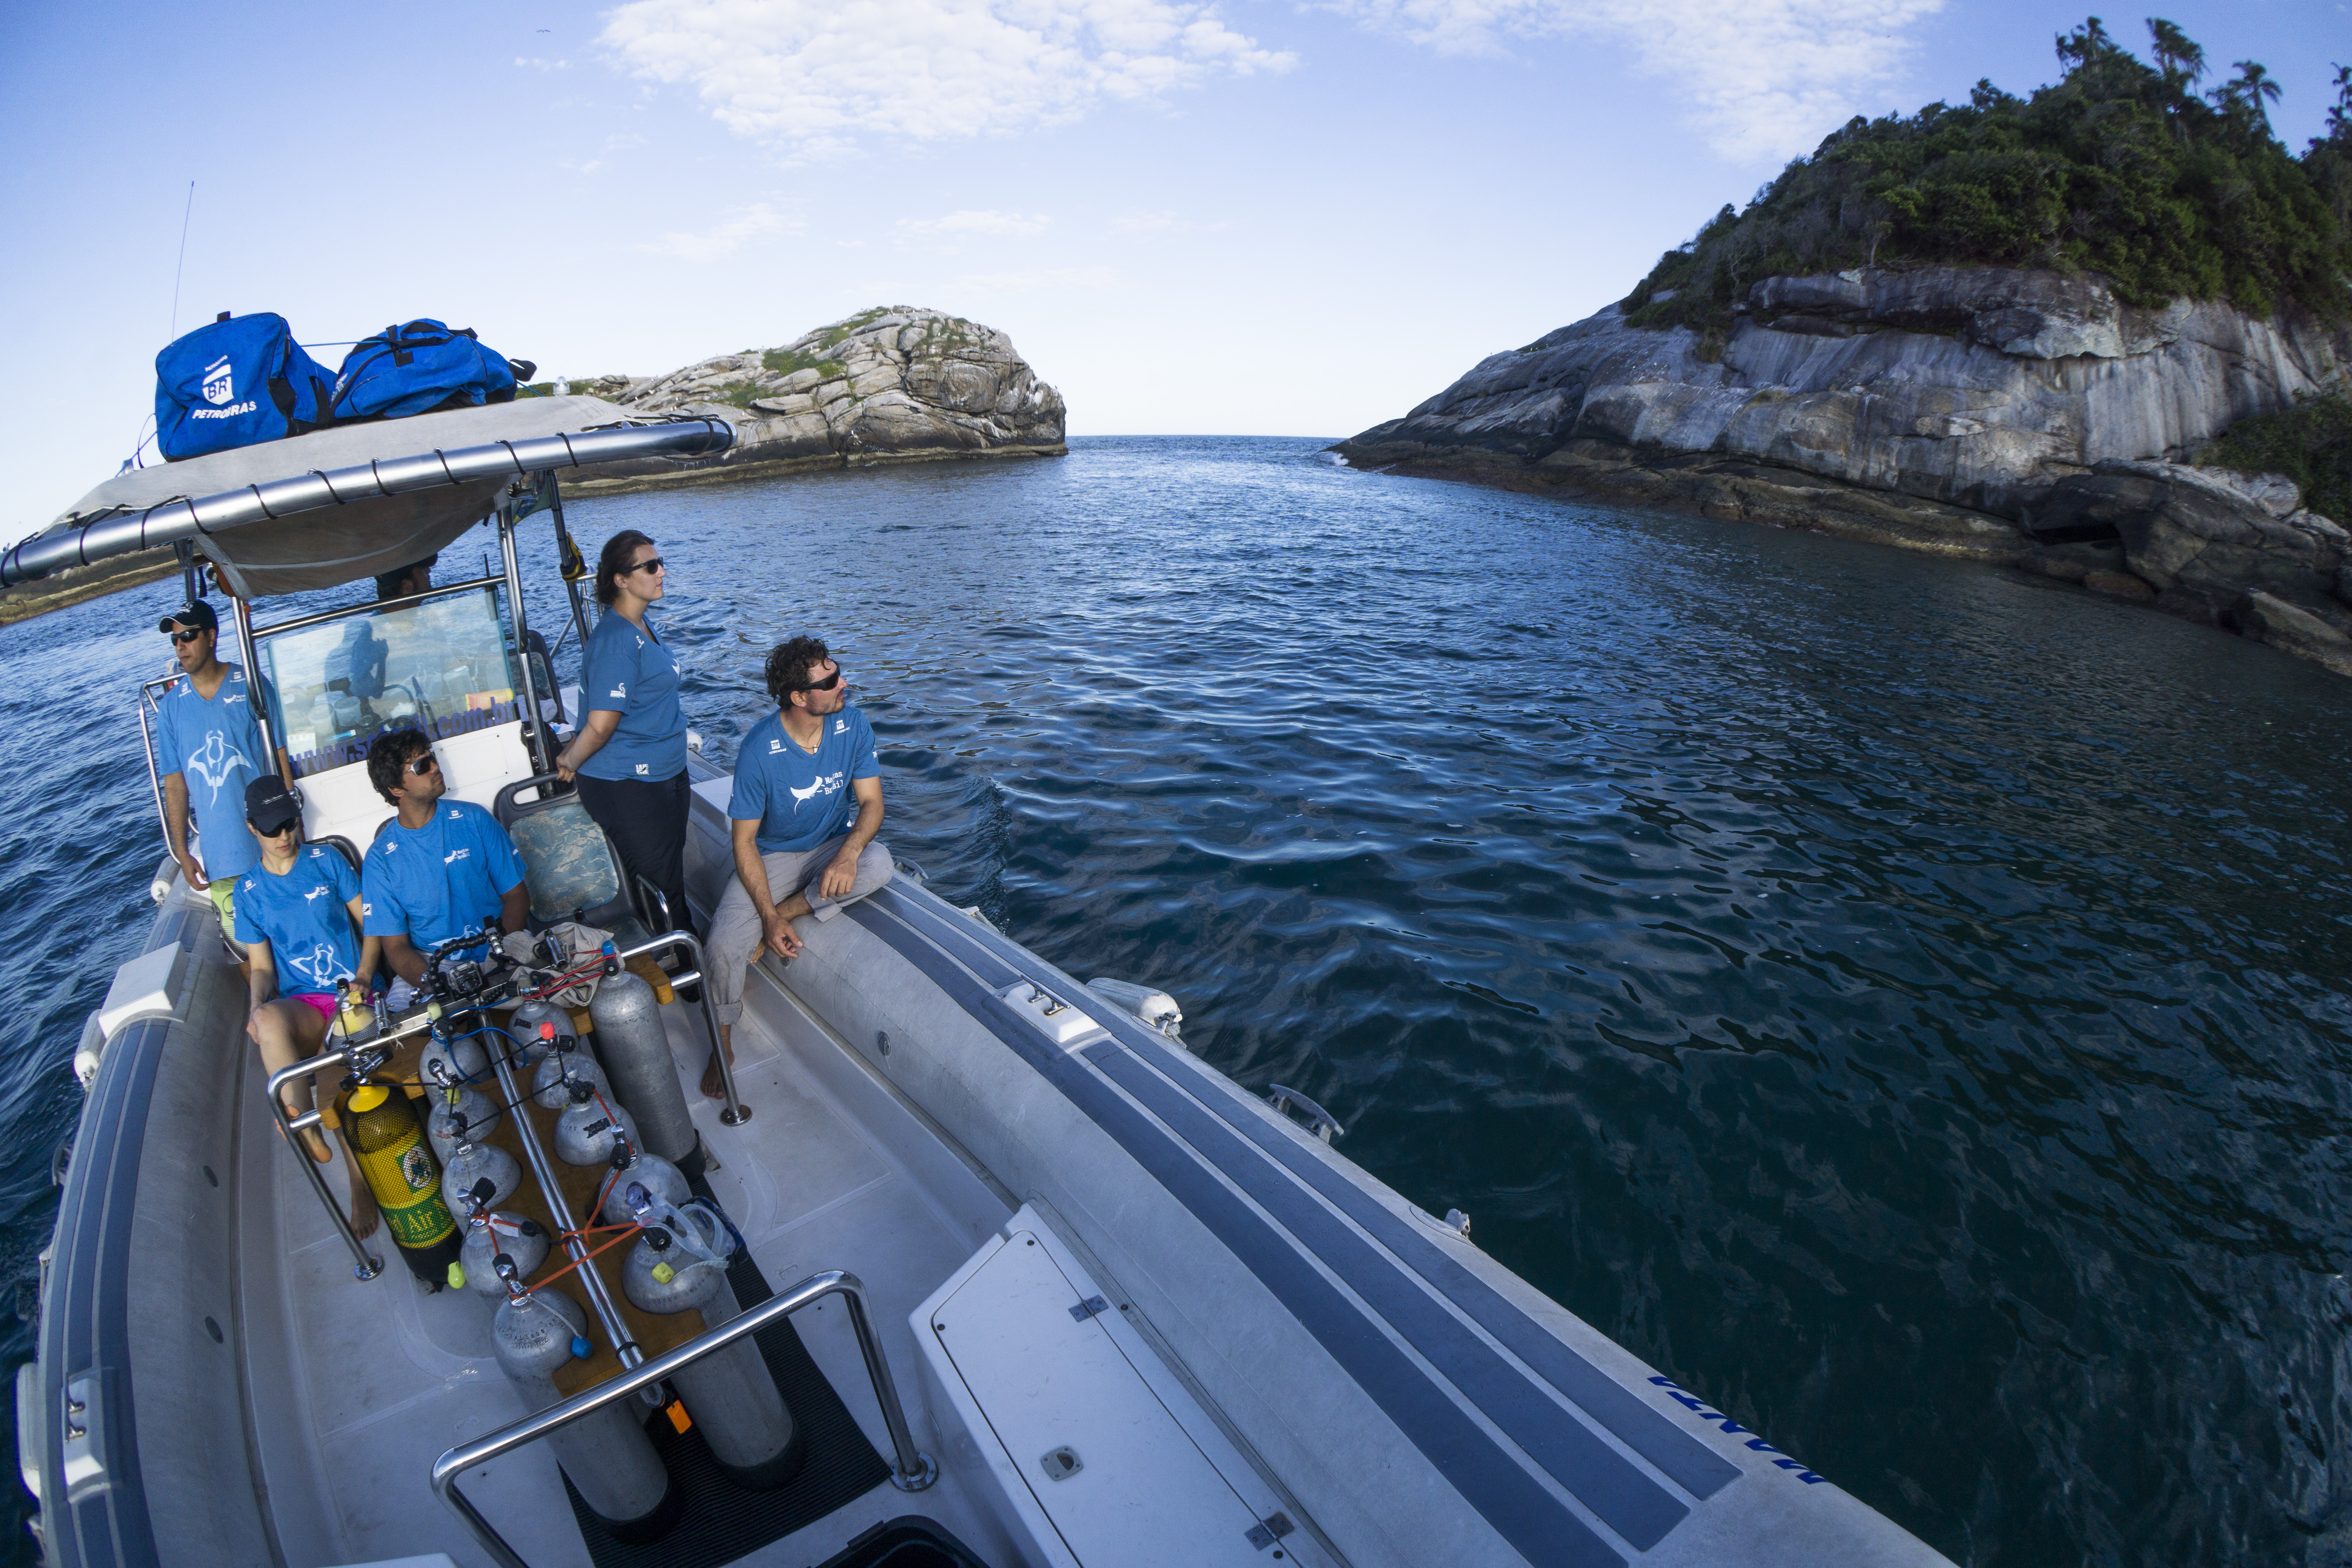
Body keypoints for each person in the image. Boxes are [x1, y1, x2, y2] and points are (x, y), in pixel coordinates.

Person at [705, 635, 893, 1096]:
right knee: (723, 947)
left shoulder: (853, 725)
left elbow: (872, 803)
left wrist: (848, 854)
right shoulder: (758, 750)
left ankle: (791, 910)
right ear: (798, 697)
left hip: (831, 844)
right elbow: (744, 840)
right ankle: (721, 1038)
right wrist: (763, 914)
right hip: (773, 855)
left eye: (838, 670)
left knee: (880, 863)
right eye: (829, 680)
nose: (843, 682)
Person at [232, 777, 380, 1236]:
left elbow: (372, 924)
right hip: (303, 1004)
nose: (284, 836)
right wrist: (256, 1009)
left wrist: (364, 975)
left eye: (290, 824)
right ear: (251, 828)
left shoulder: (325, 861)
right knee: (266, 1018)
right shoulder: (248, 891)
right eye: (273, 828)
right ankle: (303, 1123)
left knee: (336, 1084)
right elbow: (261, 968)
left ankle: (358, 1186)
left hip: (349, 996)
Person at [554, 530, 693, 938]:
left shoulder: (640, 625)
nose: (661, 571)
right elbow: (601, 725)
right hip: (629, 781)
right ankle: (679, 971)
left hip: (663, 773)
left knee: (669, 874)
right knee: (660, 884)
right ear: (621, 579)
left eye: (660, 562)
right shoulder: (616, 640)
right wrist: (570, 761)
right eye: (650, 566)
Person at [155, 598, 292, 940]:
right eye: (175, 639)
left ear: (212, 636)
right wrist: (182, 852)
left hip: (272, 841)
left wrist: (292, 822)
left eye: (188, 635)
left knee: (292, 932)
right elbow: (175, 784)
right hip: (220, 855)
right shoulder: (170, 708)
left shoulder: (250, 683)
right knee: (244, 947)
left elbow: (280, 754)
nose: (180, 645)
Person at [359, 727, 531, 992]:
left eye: (433, 758)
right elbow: (395, 947)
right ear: (395, 788)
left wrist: (498, 957)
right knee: (410, 1033)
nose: (435, 768)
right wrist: (439, 986)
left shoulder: (476, 819)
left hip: (499, 948)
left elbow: (517, 896)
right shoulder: (379, 860)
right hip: (432, 966)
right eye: (422, 766)